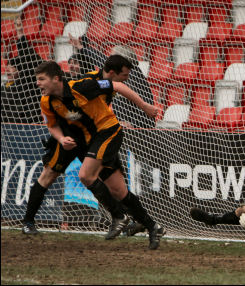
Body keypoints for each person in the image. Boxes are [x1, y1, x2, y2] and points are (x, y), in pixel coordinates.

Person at [28, 58, 166, 250]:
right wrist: (60, 139)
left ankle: (119, 216)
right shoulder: (48, 101)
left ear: (56, 79)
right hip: (92, 140)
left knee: (85, 175)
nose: (38, 83)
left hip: (108, 132)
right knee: (119, 190)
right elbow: (52, 125)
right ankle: (153, 226)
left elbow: (117, 85)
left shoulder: (82, 86)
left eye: (42, 79)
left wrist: (144, 107)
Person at [67, 36, 155, 128]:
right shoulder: (117, 71)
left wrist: (132, 124)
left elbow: (147, 104)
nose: (109, 61)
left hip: (139, 131)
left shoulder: (135, 77)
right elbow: (99, 58)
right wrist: (81, 47)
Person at [1, 17, 44, 124]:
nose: (8, 71)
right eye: (7, 67)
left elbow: (28, 56)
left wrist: (20, 33)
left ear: (21, 69)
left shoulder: (29, 83)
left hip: (31, 125)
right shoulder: (4, 88)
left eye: (12, 67)